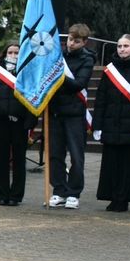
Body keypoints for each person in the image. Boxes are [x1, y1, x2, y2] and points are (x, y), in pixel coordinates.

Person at [93, 35, 130, 212]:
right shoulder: (110, 70)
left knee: (128, 165)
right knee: (111, 164)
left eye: (126, 46)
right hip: (111, 125)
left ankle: (124, 198)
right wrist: (97, 125)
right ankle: (112, 197)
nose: (122, 49)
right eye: (119, 46)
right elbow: (101, 99)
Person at [46, 23, 94, 210]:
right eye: (70, 39)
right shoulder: (58, 56)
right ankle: (59, 190)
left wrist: (58, 75)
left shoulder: (87, 59)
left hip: (74, 114)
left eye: (77, 41)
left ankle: (74, 191)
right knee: (55, 155)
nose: (71, 44)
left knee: (76, 155)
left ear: (84, 42)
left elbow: (78, 84)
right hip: (55, 111)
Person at [0, 43, 31, 205]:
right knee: (1, 159)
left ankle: (16, 196)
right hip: (1, 121)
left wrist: (29, 120)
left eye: (16, 52)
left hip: (19, 121)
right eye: (10, 52)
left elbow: (32, 98)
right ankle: (1, 194)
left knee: (19, 160)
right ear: (5, 53)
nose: (13, 55)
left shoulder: (27, 72)